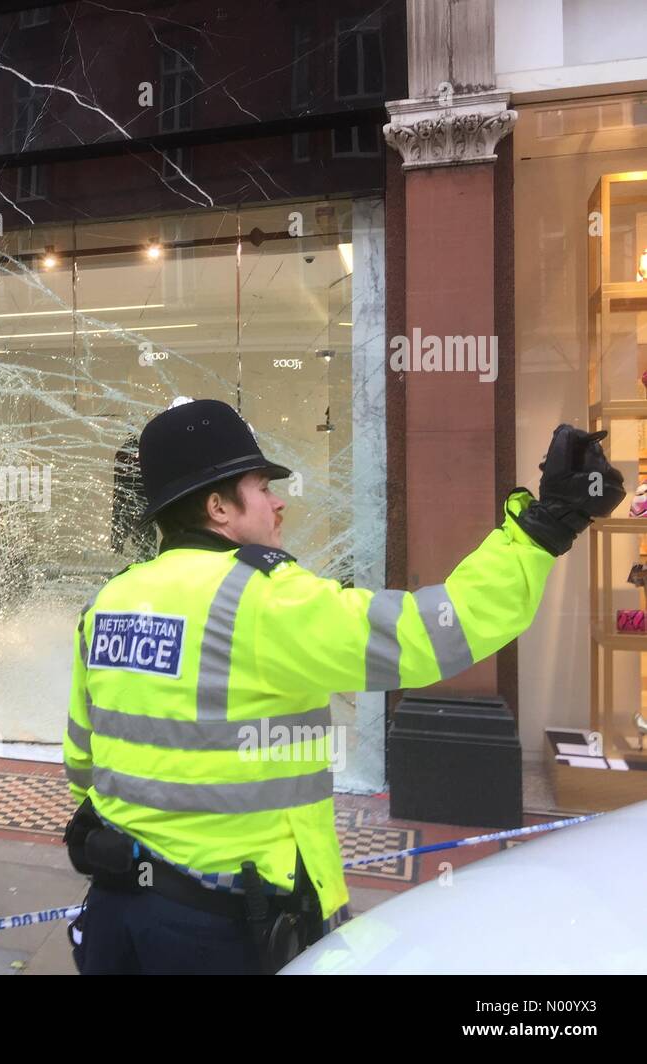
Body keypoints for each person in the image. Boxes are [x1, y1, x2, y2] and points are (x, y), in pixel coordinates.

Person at [62, 397, 623, 975]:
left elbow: (82, 755)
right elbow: (431, 634)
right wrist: (544, 526)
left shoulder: (112, 600)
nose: (279, 502)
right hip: (223, 934)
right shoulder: (261, 597)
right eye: (261, 487)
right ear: (217, 506)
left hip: (116, 915)